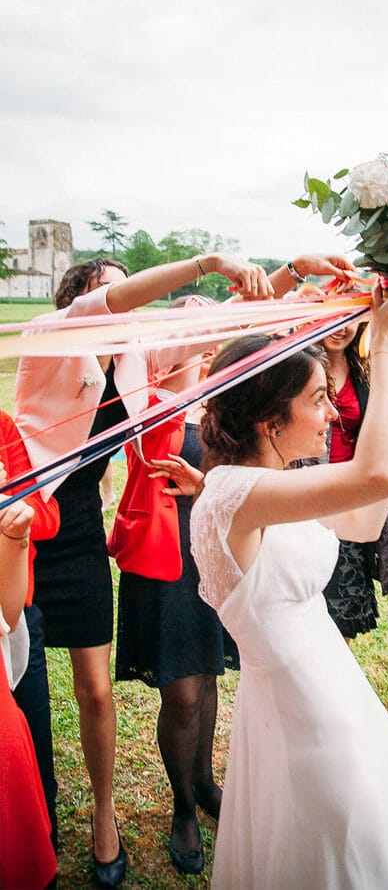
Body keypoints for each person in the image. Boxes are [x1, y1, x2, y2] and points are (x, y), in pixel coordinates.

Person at [14, 250, 349, 886]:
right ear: (80, 300)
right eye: (116, 291)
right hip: (22, 527)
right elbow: (119, 304)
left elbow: (221, 328)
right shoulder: (54, 336)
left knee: (96, 691)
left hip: (79, 532)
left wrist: (289, 274)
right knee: (24, 696)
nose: (131, 302)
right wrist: (208, 262)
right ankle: (37, 825)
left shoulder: (137, 356)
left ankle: (106, 816)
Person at [190, 284, 388, 889]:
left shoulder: (269, 484)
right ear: (271, 421)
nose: (332, 414)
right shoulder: (236, 494)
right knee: (354, 844)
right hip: (304, 709)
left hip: (325, 683)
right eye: (318, 401)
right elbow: (379, 474)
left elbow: (362, 522)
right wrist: (384, 347)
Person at [111, 297, 238, 877]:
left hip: (212, 554)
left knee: (207, 676)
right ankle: (183, 808)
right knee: (182, 693)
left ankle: (205, 781)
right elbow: (147, 448)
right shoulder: (147, 399)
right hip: (164, 562)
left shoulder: (223, 399)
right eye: (195, 325)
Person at [321, 322, 388, 639]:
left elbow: (373, 446)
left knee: (342, 629)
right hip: (309, 502)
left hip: (354, 504)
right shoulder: (297, 367)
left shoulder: (364, 373)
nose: (342, 328)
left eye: (351, 319)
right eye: (336, 317)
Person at [0, 410, 61, 855]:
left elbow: (46, 517)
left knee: (32, 752)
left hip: (15, 609)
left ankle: (45, 843)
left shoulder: (2, 427)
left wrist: (7, 501)